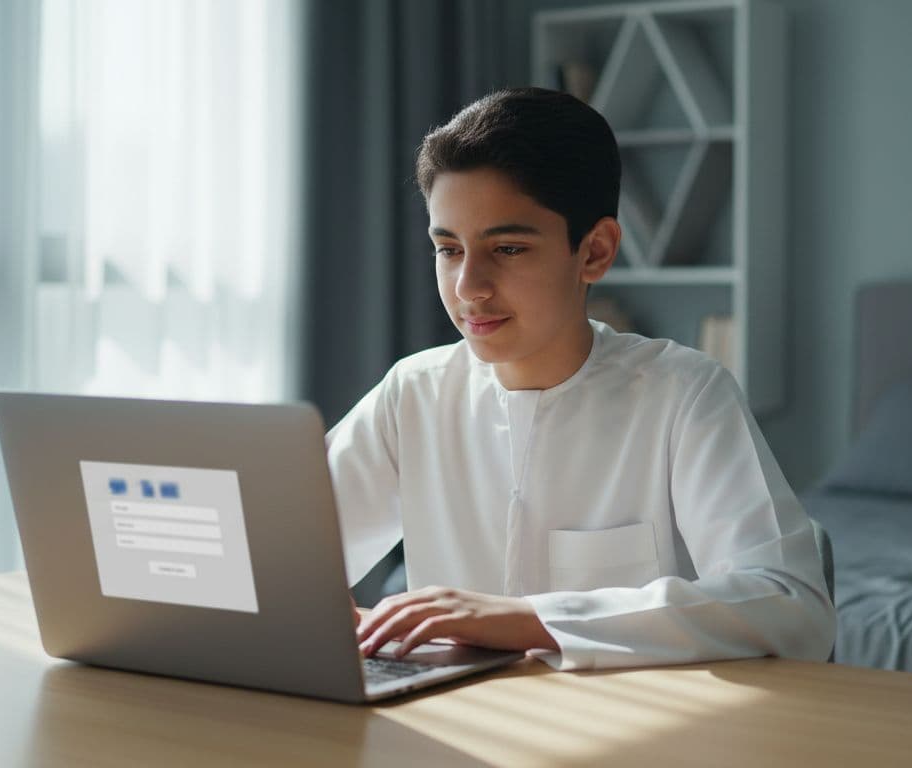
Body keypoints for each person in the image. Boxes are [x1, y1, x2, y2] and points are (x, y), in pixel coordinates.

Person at [327, 87, 835, 671]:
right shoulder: (412, 394)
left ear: (594, 252)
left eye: (508, 247)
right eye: (448, 250)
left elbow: (793, 606)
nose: (469, 286)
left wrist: (529, 620)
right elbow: (274, 555)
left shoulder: (684, 393)